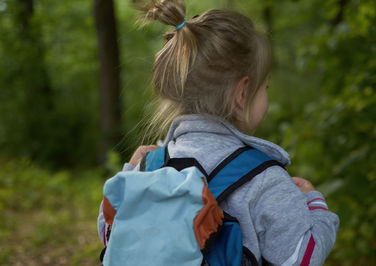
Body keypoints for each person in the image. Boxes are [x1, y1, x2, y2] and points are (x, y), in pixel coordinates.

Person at [98, 0, 339, 265]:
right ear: (242, 92)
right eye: (265, 88)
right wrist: (315, 207)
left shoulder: (150, 167)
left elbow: (111, 235)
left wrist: (131, 172)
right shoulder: (265, 180)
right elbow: (302, 258)